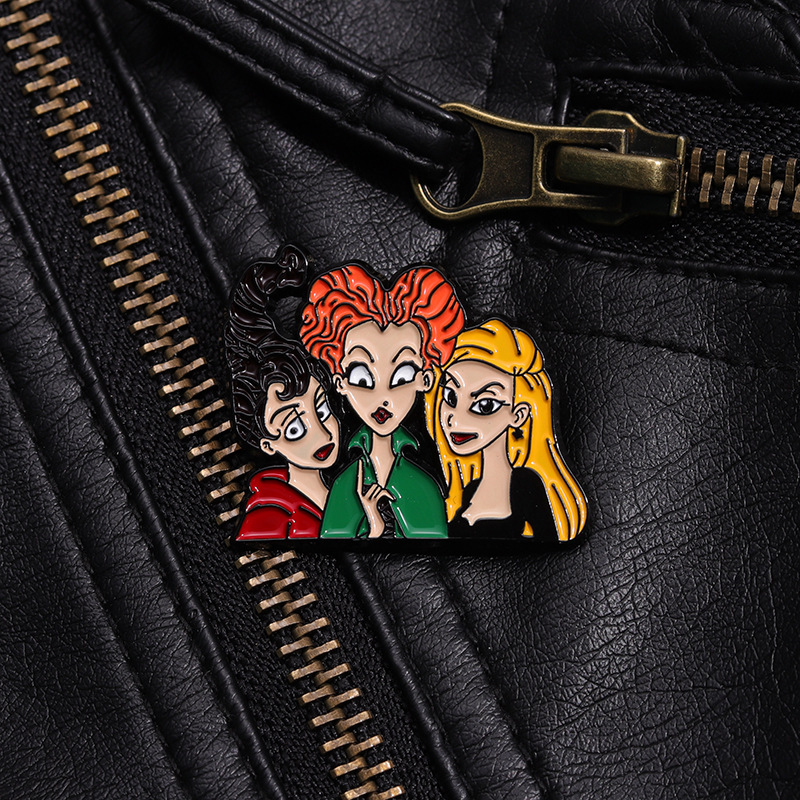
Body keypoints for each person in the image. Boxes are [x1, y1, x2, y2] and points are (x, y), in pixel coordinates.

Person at [300, 263, 465, 538]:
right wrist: (374, 530)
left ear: (425, 380)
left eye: (402, 375)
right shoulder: (343, 486)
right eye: (362, 377)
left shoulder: (425, 487)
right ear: (340, 383)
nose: (383, 396)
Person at [426, 319, 587, 540]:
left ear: (518, 415)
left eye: (485, 405)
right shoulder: (470, 489)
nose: (456, 417)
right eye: (450, 396)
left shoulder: (525, 484)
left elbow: (547, 544)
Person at [225, 245, 340, 541]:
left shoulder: (354, 490)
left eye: (323, 410)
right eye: (294, 429)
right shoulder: (269, 520)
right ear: (267, 444)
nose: (322, 433)